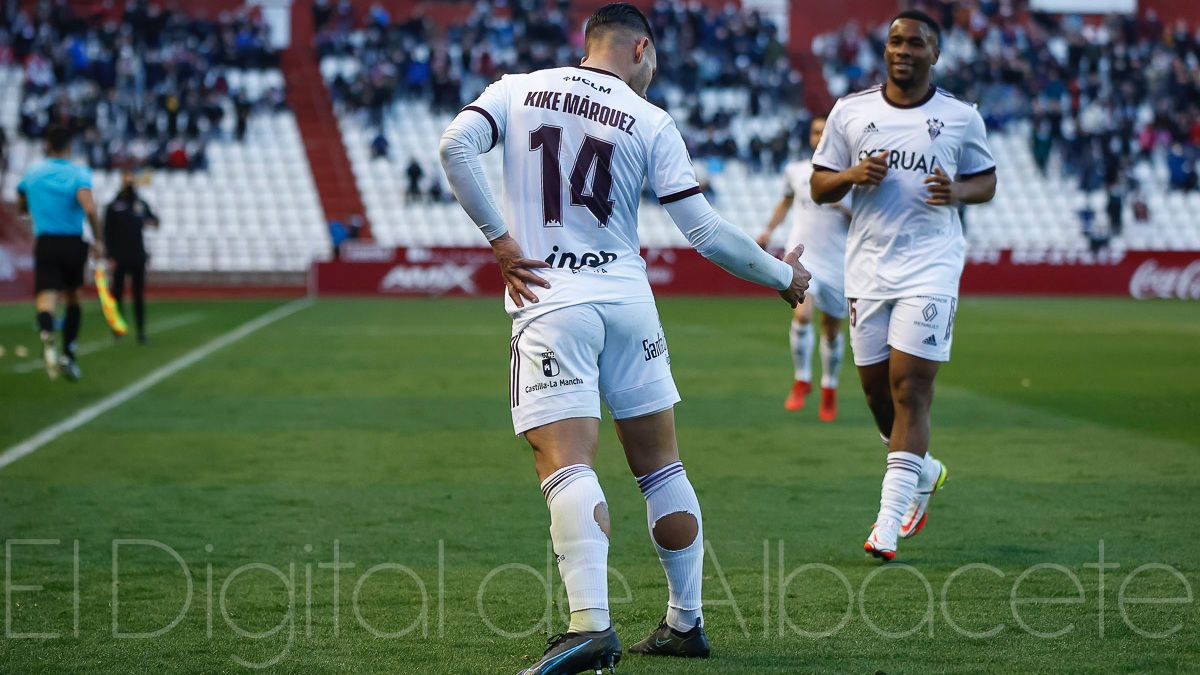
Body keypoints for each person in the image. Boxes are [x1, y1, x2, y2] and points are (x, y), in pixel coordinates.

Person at [439, 4, 810, 672]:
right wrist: (783, 275)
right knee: (662, 466)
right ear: (641, 47)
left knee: (566, 463)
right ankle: (685, 622)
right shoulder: (650, 118)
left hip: (554, 301)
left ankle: (590, 626)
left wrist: (500, 238)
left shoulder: (516, 88)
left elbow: (453, 147)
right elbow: (705, 231)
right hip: (630, 301)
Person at [810, 9, 996, 562]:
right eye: (896, 41)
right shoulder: (851, 110)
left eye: (916, 43)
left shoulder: (961, 116)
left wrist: (957, 192)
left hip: (932, 266)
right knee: (875, 393)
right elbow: (820, 185)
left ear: (934, 54)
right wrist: (851, 176)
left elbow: (986, 180)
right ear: (885, 50)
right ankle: (925, 469)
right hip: (867, 269)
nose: (904, 50)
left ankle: (887, 523)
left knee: (910, 389)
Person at [756, 115, 851, 421]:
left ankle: (830, 387)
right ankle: (802, 380)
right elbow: (785, 202)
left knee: (832, 331)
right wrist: (769, 230)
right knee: (802, 314)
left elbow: (863, 219)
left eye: (825, 132)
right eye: (815, 131)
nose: (819, 136)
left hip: (838, 260)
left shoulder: (849, 176)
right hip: (803, 256)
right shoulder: (796, 171)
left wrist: (842, 206)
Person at [16, 124, 105, 381]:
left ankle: (46, 334)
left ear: (47, 145)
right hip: (71, 242)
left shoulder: (32, 173)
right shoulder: (78, 173)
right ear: (69, 146)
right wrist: (98, 240)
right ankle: (68, 352)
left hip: (45, 241)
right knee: (74, 298)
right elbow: (89, 208)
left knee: (46, 297)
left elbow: (22, 205)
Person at [104, 169, 159, 344]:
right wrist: (109, 256)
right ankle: (117, 331)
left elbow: (155, 220)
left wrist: (151, 221)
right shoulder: (113, 206)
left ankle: (141, 332)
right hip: (119, 257)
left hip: (137, 256)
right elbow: (107, 233)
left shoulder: (141, 204)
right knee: (117, 296)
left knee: (138, 296)